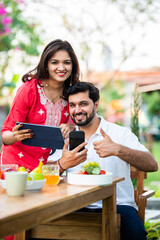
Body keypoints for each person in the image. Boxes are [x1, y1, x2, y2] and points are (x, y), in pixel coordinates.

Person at [56, 82, 158, 240]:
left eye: (83, 104)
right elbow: (45, 173)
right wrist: (62, 165)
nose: (77, 110)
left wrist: (118, 149)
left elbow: (152, 165)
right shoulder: (64, 137)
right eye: (72, 105)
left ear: (96, 105)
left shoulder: (120, 133)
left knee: (135, 234)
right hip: (74, 206)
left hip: (120, 207)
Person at [1, 39, 80, 171]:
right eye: (55, 62)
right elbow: (5, 135)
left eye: (67, 62)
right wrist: (14, 136)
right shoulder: (29, 90)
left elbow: (81, 126)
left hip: (44, 167)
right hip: (14, 165)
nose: (61, 68)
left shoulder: (72, 94)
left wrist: (72, 126)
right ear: (46, 64)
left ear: (73, 66)